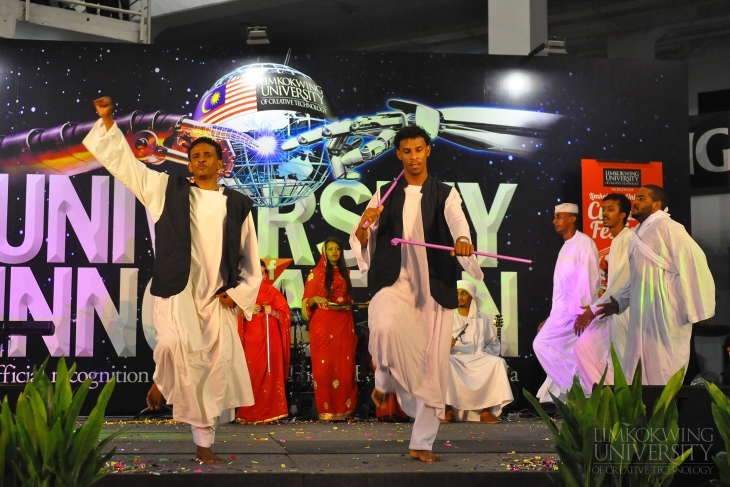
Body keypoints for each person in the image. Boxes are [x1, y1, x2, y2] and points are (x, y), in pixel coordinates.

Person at [84, 97, 261, 463]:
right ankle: (163, 382)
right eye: (194, 156)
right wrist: (107, 124)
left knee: (214, 372)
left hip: (216, 300)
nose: (199, 160)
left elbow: (250, 259)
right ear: (190, 163)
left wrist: (240, 294)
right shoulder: (167, 190)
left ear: (220, 162)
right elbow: (127, 168)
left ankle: (203, 445)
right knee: (170, 348)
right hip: (176, 293)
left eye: (207, 155)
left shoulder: (239, 205)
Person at [350, 125, 483, 462]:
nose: (413, 157)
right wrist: (365, 226)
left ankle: (421, 443)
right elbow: (361, 237)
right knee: (382, 326)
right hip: (393, 282)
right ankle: (384, 376)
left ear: (428, 151)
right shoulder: (384, 192)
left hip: (433, 286)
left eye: (418, 150)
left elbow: (457, 222)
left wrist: (463, 241)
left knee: (433, 365)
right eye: (406, 151)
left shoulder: (445, 193)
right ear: (398, 154)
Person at [597, 185, 715, 385]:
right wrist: (618, 302)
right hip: (640, 314)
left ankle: (664, 415)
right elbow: (635, 278)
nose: (635, 201)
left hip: (666, 312)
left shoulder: (670, 228)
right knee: (635, 369)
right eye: (635, 197)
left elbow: (694, 263)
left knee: (664, 366)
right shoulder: (636, 235)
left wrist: (700, 308)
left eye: (641, 198)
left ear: (656, 205)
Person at [533, 203, 600, 402]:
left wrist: (584, 311)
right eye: (554, 217)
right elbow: (561, 289)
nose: (554, 221)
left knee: (543, 344)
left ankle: (581, 390)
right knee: (550, 347)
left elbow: (589, 278)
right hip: (561, 313)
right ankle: (583, 388)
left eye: (559, 217)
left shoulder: (584, 243)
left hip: (576, 313)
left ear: (572, 219)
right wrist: (551, 316)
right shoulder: (565, 246)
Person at [573, 194, 632, 387]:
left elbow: (622, 282)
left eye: (610, 210)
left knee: (624, 361)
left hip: (624, 310)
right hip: (610, 308)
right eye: (603, 209)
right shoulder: (616, 241)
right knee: (584, 348)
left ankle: (624, 404)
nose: (604, 214)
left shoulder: (628, 239)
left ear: (623, 214)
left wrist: (593, 309)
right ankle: (605, 396)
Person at [302, 237, 358, 421]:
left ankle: (346, 410)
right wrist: (314, 300)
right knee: (325, 369)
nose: (334, 252)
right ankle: (327, 411)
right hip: (323, 324)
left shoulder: (345, 273)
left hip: (343, 323)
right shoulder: (315, 273)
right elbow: (306, 303)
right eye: (330, 249)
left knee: (345, 367)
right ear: (324, 252)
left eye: (337, 249)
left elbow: (347, 299)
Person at [443, 280, 513, 423]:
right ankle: (448, 409)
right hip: (455, 358)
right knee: (445, 362)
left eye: (464, 293)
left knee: (498, 363)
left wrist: (482, 353)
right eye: (457, 293)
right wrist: (446, 347)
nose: (460, 297)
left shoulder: (482, 319)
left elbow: (493, 343)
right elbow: (434, 346)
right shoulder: (447, 316)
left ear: (471, 296)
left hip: (478, 358)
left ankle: (486, 411)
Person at [235, 261, 291, 424]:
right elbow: (231, 315)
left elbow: (286, 316)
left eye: (263, 273)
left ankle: (271, 411)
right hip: (250, 342)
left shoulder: (273, 292)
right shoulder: (242, 293)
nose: (260, 277)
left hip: (269, 340)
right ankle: (247, 412)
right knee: (251, 373)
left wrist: (272, 312)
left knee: (269, 373)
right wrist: (246, 312)